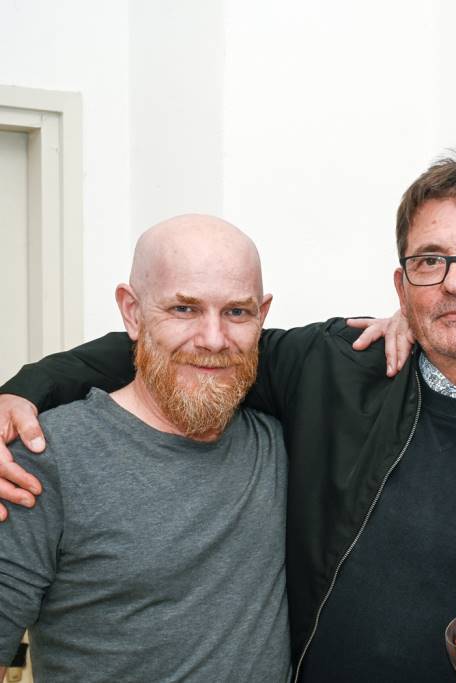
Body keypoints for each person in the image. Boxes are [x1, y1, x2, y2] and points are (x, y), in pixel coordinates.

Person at [0, 158, 456, 683]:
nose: (455, 282)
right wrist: (23, 391)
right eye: (429, 261)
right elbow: (186, 351)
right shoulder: (334, 370)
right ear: (402, 287)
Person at [0, 215, 290, 681]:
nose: (213, 339)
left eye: (237, 312)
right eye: (184, 309)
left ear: (263, 316)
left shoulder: (282, 441)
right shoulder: (41, 458)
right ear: (132, 312)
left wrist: (404, 323)